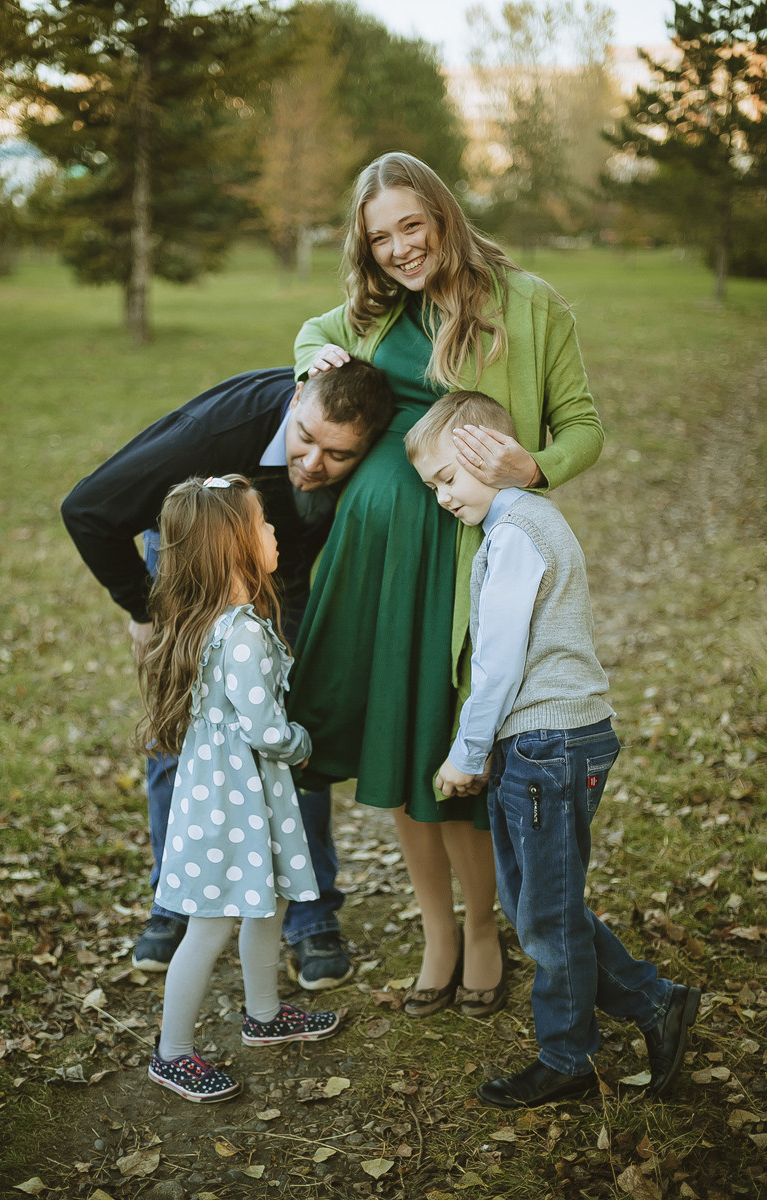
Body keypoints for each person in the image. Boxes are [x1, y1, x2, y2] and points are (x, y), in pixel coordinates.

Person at [287, 152, 605, 1018]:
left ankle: (483, 931)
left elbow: (584, 425)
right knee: (399, 743)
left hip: (466, 557)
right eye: (379, 237)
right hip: (377, 561)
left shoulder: (528, 304)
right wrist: (315, 356)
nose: (399, 249)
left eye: (411, 226)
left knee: (454, 748)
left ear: (442, 216)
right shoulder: (371, 309)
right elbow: (311, 334)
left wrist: (534, 466)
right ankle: (437, 932)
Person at [406, 390, 701, 1108]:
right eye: (432, 486)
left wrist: (467, 751)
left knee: (546, 910)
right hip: (538, 743)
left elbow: (500, 662)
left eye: (448, 478)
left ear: (487, 455)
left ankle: (569, 1053)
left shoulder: (517, 534)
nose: (442, 497)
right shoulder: (514, 525)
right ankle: (654, 1000)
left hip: (553, 743)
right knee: (534, 901)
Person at [61, 362, 395, 987]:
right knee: (186, 729)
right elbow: (86, 509)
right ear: (296, 398)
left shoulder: (371, 430)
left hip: (281, 566)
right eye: (304, 439)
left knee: (290, 722)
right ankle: (175, 902)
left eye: (339, 455)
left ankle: (309, 911)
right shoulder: (214, 434)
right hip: (191, 570)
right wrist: (143, 610)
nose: (313, 463)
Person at [138, 474, 341, 1103]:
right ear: (235, 545)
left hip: (235, 792)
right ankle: (172, 1052)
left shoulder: (209, 621)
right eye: (263, 523)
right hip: (232, 800)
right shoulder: (243, 631)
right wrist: (302, 743)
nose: (275, 531)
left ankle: (264, 1014)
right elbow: (265, 729)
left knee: (267, 902)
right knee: (211, 924)